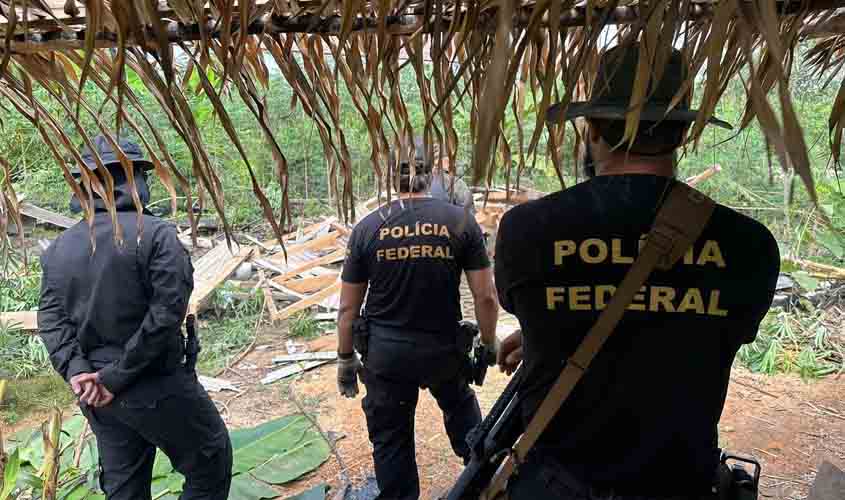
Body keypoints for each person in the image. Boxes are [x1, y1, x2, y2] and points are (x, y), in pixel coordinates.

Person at [494, 44, 780, 499]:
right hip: (678, 486)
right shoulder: (750, 246)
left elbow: (572, 306)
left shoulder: (525, 231)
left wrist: (551, 331)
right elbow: (688, 333)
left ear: (591, 129)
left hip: (555, 486)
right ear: (682, 134)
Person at [38, 134, 232, 500]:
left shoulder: (59, 249)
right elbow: (165, 314)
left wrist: (79, 372)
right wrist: (113, 377)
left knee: (124, 486)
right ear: (134, 181)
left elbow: (51, 319)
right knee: (210, 461)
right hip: (151, 382)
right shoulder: (156, 235)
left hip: (97, 395)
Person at [336, 139, 499, 500]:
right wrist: (489, 344)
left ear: (391, 175)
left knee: (391, 439)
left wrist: (346, 359)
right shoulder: (460, 222)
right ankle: (485, 484)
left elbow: (348, 309)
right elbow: (485, 296)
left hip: (387, 356)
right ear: (431, 173)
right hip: (443, 351)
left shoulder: (367, 228)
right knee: (462, 414)